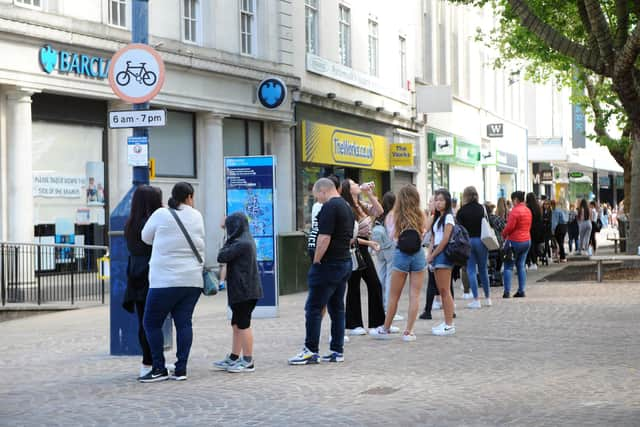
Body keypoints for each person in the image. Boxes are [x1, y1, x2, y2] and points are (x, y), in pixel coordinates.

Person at [139, 182, 204, 382]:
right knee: (184, 323)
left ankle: (158, 367)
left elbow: (145, 237)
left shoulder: (161, 214)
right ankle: (181, 369)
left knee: (151, 322)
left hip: (164, 281)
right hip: (192, 280)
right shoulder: (197, 215)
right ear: (189, 197)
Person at [288, 178, 354, 365]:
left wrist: (316, 261)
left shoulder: (329, 207)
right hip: (344, 262)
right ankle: (336, 350)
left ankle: (310, 350)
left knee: (314, 308)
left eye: (317, 196)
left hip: (328, 264)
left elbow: (324, 238)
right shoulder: (347, 207)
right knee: (337, 308)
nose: (317, 200)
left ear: (323, 191)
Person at [370, 185, 428, 341]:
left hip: (400, 254)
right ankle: (409, 331)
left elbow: (391, 236)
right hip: (418, 254)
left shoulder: (392, 216)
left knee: (394, 295)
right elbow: (424, 233)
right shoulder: (421, 214)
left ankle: (386, 328)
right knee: (414, 295)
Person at [213, 212, 263, 373]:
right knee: (236, 325)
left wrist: (226, 237)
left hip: (245, 291)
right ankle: (234, 357)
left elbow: (221, 256)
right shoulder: (243, 240)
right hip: (241, 290)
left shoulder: (242, 243)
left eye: (229, 227)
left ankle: (248, 360)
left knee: (243, 325)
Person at [122, 185, 162, 379]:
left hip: (135, 274)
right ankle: (150, 362)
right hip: (150, 274)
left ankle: (149, 361)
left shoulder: (130, 223)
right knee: (153, 322)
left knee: (143, 321)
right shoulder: (151, 224)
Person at [340, 179, 387, 336]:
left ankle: (378, 323)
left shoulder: (361, 205)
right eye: (353, 184)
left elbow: (379, 211)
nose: (357, 185)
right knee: (354, 285)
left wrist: (369, 194)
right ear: (348, 189)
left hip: (365, 248)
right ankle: (353, 324)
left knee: (374, 284)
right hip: (355, 247)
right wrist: (369, 243)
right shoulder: (346, 207)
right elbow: (348, 235)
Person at [456, 186, 491, 308]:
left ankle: (476, 299)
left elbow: (458, 229)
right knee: (483, 270)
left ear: (465, 196)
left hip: (468, 242)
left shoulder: (461, 211)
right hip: (482, 240)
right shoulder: (482, 208)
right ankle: (488, 298)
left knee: (471, 270)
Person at [428, 188, 456, 336]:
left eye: (441, 200)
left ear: (447, 201)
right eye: (436, 200)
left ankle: (449, 324)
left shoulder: (449, 217)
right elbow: (432, 237)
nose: (438, 203)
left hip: (443, 255)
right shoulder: (438, 218)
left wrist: (433, 254)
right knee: (442, 290)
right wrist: (430, 254)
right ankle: (447, 322)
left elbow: (445, 239)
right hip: (437, 255)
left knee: (445, 291)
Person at [371, 191, 397, 316]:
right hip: (390, 247)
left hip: (378, 247)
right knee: (391, 277)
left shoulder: (378, 214)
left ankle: (380, 306)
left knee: (381, 275)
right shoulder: (393, 214)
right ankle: (388, 308)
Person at [502, 191, 532, 298]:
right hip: (527, 241)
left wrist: (503, 234)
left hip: (515, 241)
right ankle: (521, 290)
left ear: (515, 200)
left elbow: (509, 227)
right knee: (521, 266)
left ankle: (507, 292)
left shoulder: (514, 211)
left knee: (508, 266)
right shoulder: (528, 210)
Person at [525, 193, 544, 269]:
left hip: (530, 229)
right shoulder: (538, 207)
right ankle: (535, 261)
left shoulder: (528, 207)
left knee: (531, 246)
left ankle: (531, 262)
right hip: (538, 229)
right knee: (535, 245)